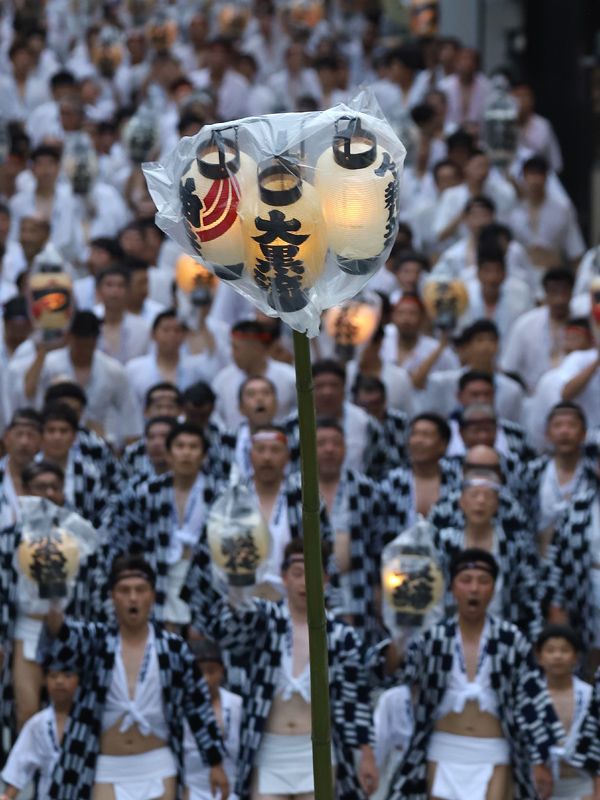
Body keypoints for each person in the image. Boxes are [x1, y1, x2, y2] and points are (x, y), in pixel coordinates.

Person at [184, 537, 379, 800]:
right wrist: (238, 590)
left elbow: (355, 698)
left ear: (325, 580)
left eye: (312, 574)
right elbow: (228, 631)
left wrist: (366, 752)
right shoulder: (264, 619)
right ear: (284, 577)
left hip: (317, 749)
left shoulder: (341, 635)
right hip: (269, 749)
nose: (304, 582)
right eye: (297, 573)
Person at [41, 554, 229, 799]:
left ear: (152, 595)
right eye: (124, 590)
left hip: (157, 763)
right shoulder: (95, 641)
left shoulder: (174, 648)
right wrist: (54, 593)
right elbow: (61, 635)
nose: (133, 598)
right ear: (112, 596)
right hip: (108, 765)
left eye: (140, 590)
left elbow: (198, 707)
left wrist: (215, 763)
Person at [383, 548, 560, 800]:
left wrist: (540, 759)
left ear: (494, 588)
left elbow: (533, 700)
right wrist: (399, 634)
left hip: (493, 749)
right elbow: (392, 675)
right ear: (452, 588)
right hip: (444, 747)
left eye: (483, 581)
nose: (474, 589)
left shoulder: (511, 639)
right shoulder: (434, 638)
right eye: (466, 580)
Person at [110, 423, 223, 626]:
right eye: (180, 446)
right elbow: (126, 542)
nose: (186, 453)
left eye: (193, 447)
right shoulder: (146, 492)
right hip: (159, 574)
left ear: (204, 456)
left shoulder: (221, 495)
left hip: (205, 578)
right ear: (169, 454)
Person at [432, 473, 541, 637]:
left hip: (504, 630)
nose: (481, 501)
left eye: (488, 496)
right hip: (450, 632)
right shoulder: (444, 542)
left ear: (497, 504)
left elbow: (529, 594)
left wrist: (534, 635)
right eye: (474, 495)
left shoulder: (514, 545)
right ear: (461, 502)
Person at [13, 310, 142, 446]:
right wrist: (42, 352)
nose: (84, 349)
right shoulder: (50, 364)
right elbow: (28, 391)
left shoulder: (113, 370)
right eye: (80, 343)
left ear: (95, 341)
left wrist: (130, 448)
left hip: (98, 442)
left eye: (88, 343)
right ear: (70, 337)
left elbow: (130, 413)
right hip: (55, 439)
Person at [316, 417, 384, 646]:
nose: (329, 449)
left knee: (358, 648)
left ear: (346, 448)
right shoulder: (295, 488)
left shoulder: (366, 488)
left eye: (336, 443)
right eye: (321, 443)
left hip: (358, 586)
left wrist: (379, 588)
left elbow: (378, 544)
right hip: (311, 586)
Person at [284, 359, 388, 479]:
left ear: (344, 388)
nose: (327, 392)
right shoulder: (291, 425)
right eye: (320, 386)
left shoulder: (366, 422)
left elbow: (381, 465)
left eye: (334, 385)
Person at [524, 403, 597, 552]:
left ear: (584, 434)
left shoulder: (594, 474)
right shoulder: (532, 472)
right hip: (540, 551)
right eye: (557, 425)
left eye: (572, 425)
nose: (564, 431)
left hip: (584, 553)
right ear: (547, 434)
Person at [0, 667, 79, 800]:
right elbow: (20, 765)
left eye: (67, 675)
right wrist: (7, 796)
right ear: (44, 680)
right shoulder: (38, 723)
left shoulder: (91, 723)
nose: (59, 681)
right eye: (53, 676)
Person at [535, 625, 595, 800]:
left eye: (564, 650)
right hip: (540, 783)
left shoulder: (590, 695)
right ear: (539, 657)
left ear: (575, 657)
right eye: (550, 650)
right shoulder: (530, 697)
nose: (557, 656)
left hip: (583, 783)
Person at [126, 310, 218, 417]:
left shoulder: (197, 368)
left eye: (177, 330)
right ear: (153, 334)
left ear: (184, 335)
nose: (172, 335)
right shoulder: (134, 369)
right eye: (166, 330)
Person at [184, 639, 242, 800]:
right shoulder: (180, 706)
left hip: (231, 788)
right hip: (191, 788)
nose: (206, 679)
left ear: (222, 671)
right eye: (199, 672)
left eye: (211, 671)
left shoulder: (237, 704)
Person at [382, 413, 460, 533]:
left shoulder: (457, 480)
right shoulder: (391, 482)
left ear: (443, 445)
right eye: (414, 434)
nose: (418, 441)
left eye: (426, 435)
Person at [501, 267, 575, 392]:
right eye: (554, 292)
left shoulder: (585, 324)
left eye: (564, 292)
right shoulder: (525, 325)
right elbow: (509, 368)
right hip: (533, 396)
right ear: (545, 294)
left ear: (572, 292)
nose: (559, 300)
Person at [212, 320, 297, 429]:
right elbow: (216, 418)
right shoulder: (223, 380)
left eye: (236, 348)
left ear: (256, 348)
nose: (232, 354)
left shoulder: (289, 377)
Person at [508, 155, 585, 271]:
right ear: (524, 177)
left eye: (538, 175)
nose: (535, 181)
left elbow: (575, 251)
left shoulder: (562, 210)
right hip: (521, 274)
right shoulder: (513, 212)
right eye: (530, 175)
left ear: (546, 177)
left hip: (552, 273)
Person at [39, 401, 108, 528]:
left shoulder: (89, 474)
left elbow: (101, 517)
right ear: (41, 434)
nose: (57, 437)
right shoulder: (28, 469)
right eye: (51, 430)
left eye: (63, 431)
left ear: (74, 436)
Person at [94, 266, 150, 364]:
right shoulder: (89, 323)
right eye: (109, 285)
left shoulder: (143, 328)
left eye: (121, 286)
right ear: (98, 291)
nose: (115, 291)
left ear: (129, 291)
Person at [353, 374, 409, 470]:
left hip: (401, 471)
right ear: (356, 401)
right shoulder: (354, 423)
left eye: (376, 403)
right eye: (366, 404)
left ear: (384, 400)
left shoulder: (401, 420)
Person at [0, 408, 43, 527]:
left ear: (41, 441)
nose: (24, 442)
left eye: (30, 435)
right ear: (6, 438)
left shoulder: (49, 477)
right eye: (19, 434)